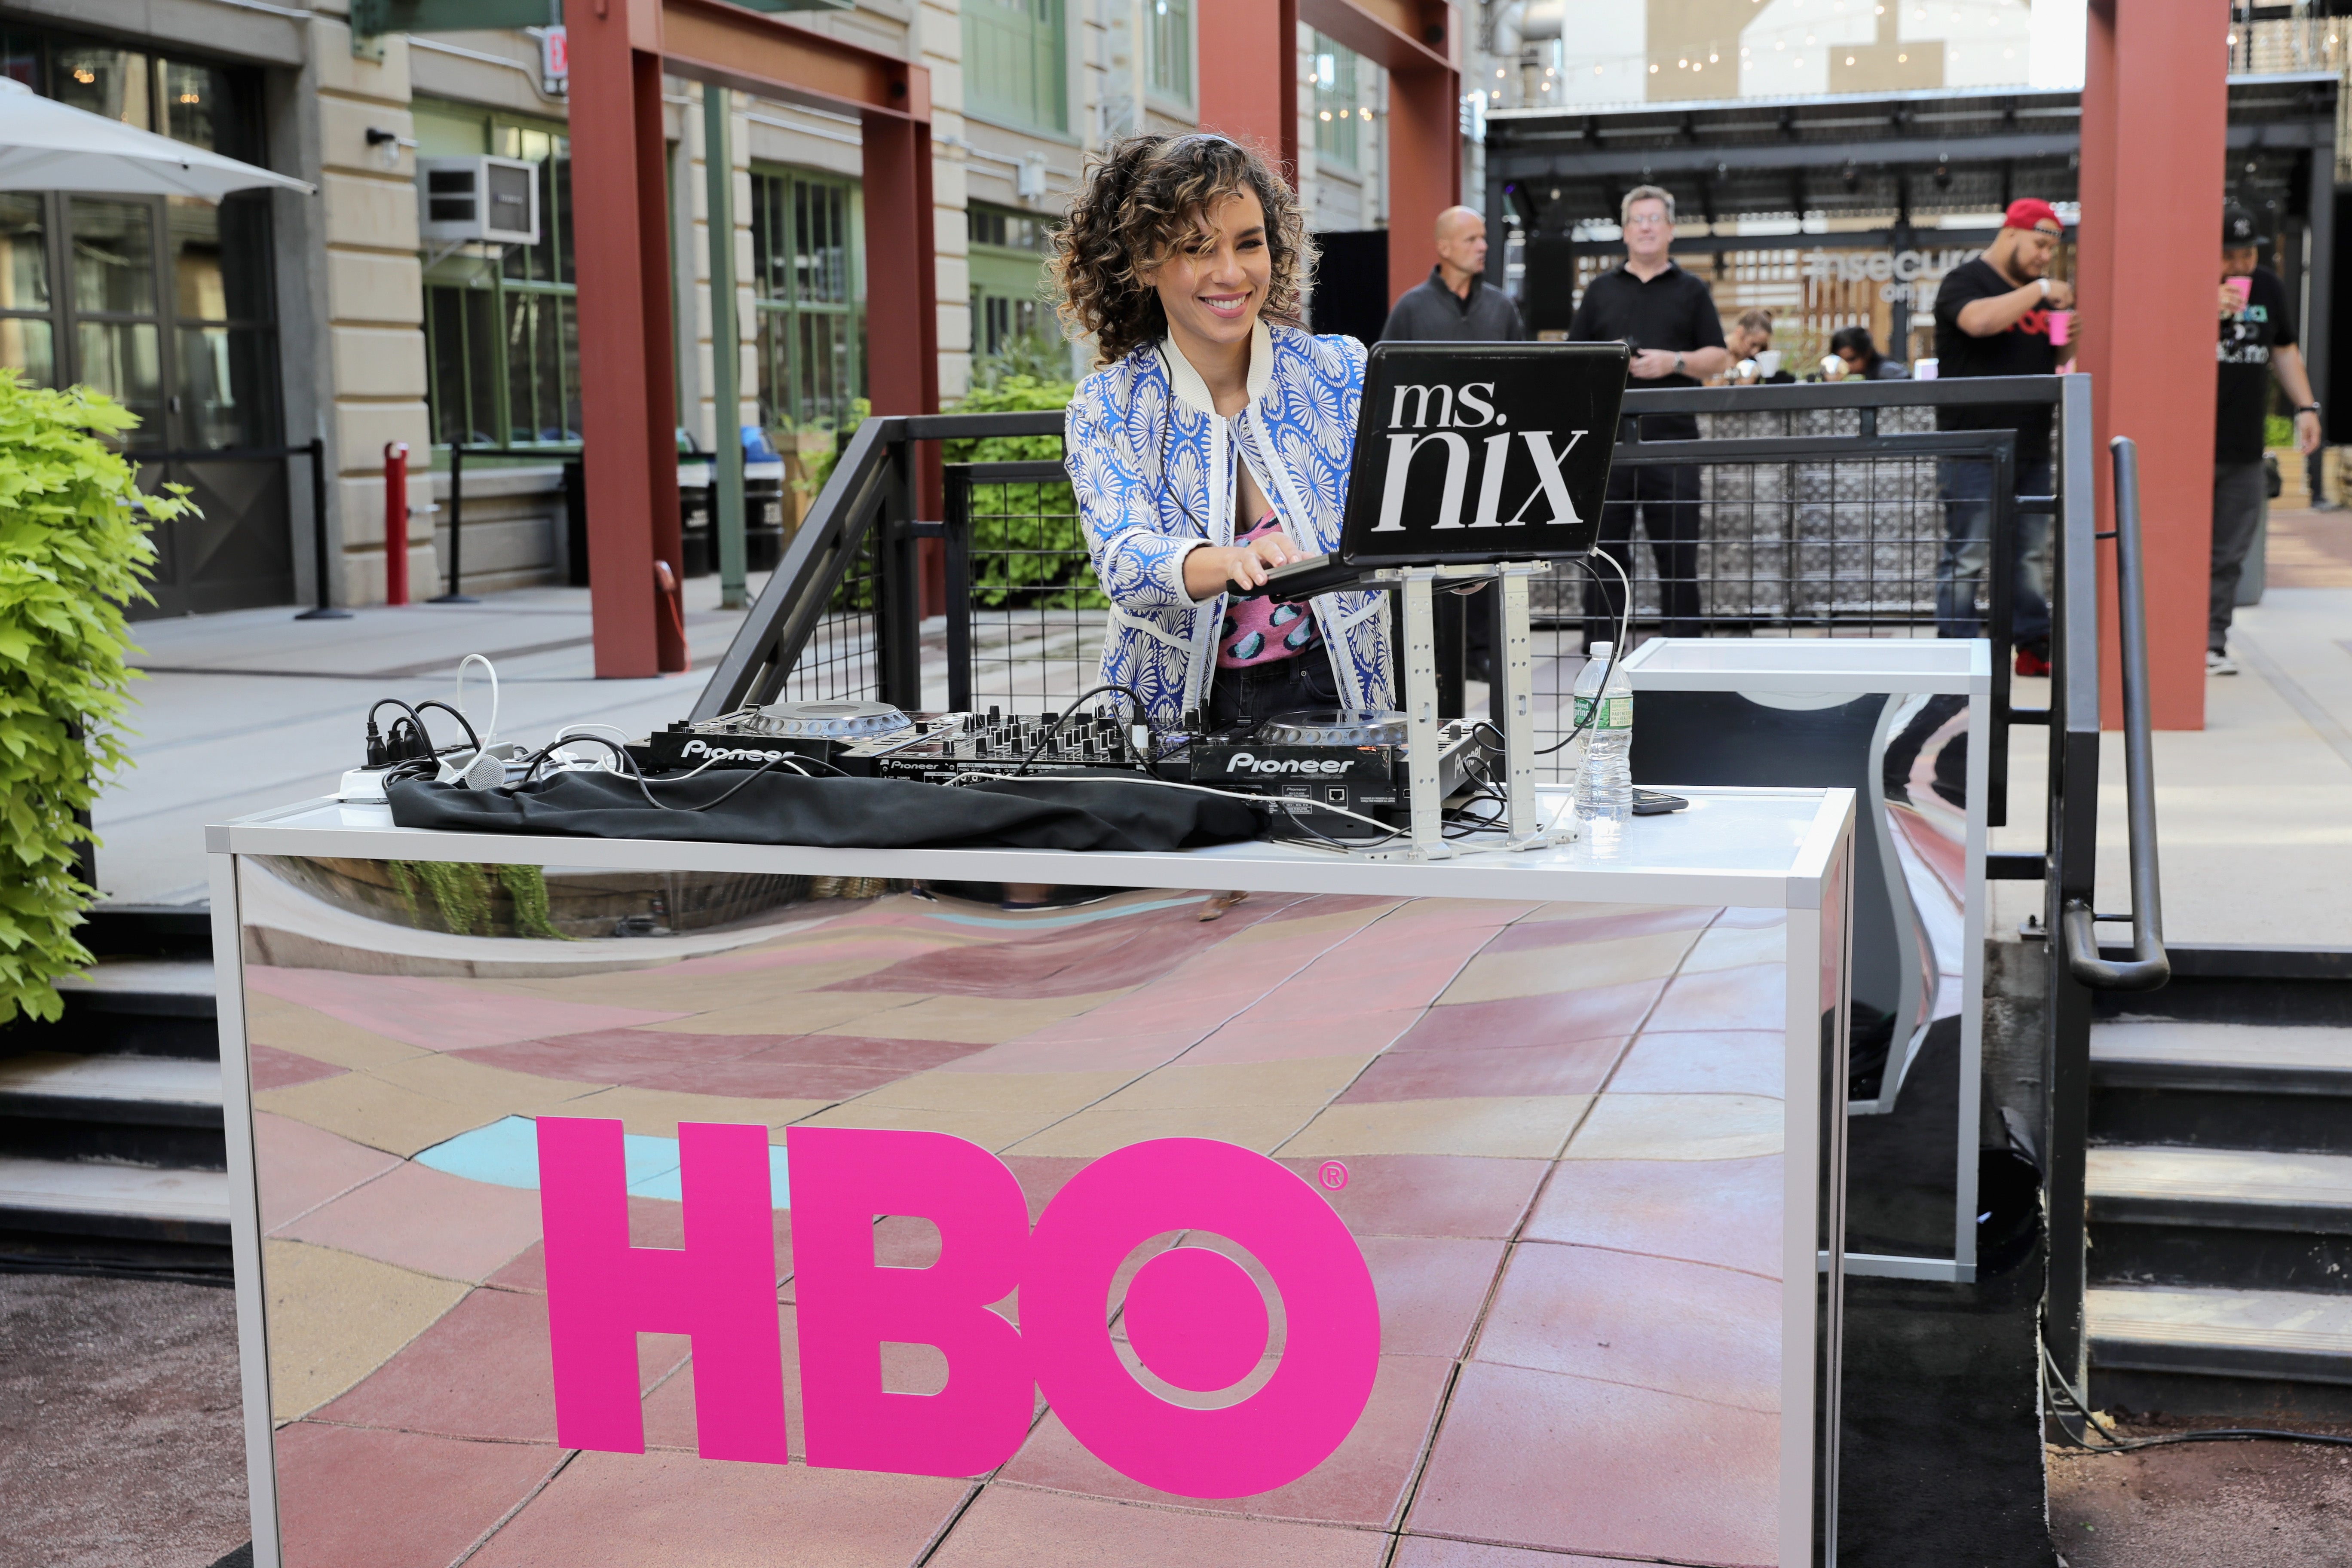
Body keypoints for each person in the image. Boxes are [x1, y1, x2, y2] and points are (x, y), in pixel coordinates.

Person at [1054, 133, 1389, 735]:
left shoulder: (1343, 371)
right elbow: (1123, 561)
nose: (1231, 273)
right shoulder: (1107, 405)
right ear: (1144, 262)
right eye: (1197, 248)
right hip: (1170, 712)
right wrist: (1232, 560)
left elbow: (1402, 519)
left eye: (1249, 243)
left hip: (1342, 687)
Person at [1567, 184, 1731, 643]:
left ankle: (1684, 656)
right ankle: (1602, 657)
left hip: (1673, 444)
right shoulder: (1599, 291)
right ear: (1624, 231)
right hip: (1608, 447)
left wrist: (1674, 362)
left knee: (1678, 557)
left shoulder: (1692, 290)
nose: (1645, 227)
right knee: (1603, 557)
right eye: (1637, 220)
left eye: (1654, 219)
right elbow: (1572, 361)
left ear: (1671, 230)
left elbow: (1719, 357)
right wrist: (1610, 363)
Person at [1931, 197, 2072, 675]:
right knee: (1967, 553)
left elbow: (2053, 360)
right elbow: (1979, 322)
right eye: (2038, 245)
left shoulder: (2037, 294)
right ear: (2010, 233)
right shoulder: (1966, 281)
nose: (2044, 258)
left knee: (2029, 555)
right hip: (1972, 443)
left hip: (2031, 443)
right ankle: (1958, 655)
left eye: (2051, 251)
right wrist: (2042, 290)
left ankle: (2032, 646)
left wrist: (2069, 331)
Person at [2211, 203, 2323, 675]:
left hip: (2244, 444)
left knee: (2230, 551)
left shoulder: (2269, 287)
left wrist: (2307, 408)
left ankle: (2212, 641)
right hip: (2192, 446)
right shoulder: (2186, 287)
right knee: (2183, 546)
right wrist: (2203, 308)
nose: (2241, 265)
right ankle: (2169, 638)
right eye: (2230, 255)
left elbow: (2284, 350)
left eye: (2248, 254)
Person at [1380, 206, 1525, 342]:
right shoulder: (1410, 308)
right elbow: (1386, 360)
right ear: (1444, 249)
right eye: (1471, 240)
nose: (1483, 247)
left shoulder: (1502, 306)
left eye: (1483, 238)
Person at [1721, 308, 1793, 383]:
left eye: (1762, 347)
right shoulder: (1718, 355)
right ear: (1739, 332)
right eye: (1753, 344)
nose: (1755, 352)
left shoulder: (1755, 363)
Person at [1830, 324, 1908, 380]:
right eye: (1841, 361)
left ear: (1867, 353)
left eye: (1852, 360)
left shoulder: (1887, 372)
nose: (1847, 366)